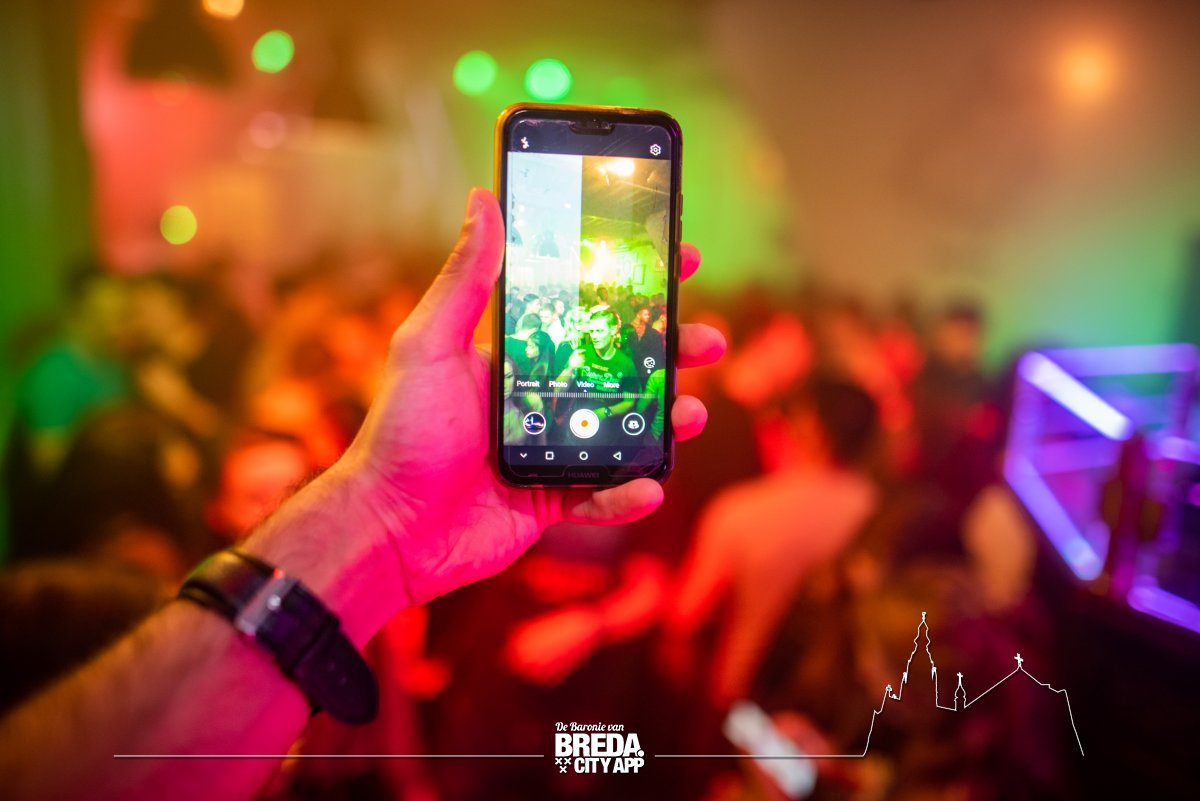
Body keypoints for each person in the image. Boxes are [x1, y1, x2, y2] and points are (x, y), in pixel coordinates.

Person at [0, 189, 724, 801]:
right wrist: (383, 518)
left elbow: (660, 578)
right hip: (488, 684)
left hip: (582, 693)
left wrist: (585, 625)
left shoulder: (638, 441)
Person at [665, 376, 880, 705]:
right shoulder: (880, 510)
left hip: (744, 699)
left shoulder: (741, 510)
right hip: (839, 710)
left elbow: (685, 616)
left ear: (808, 426)